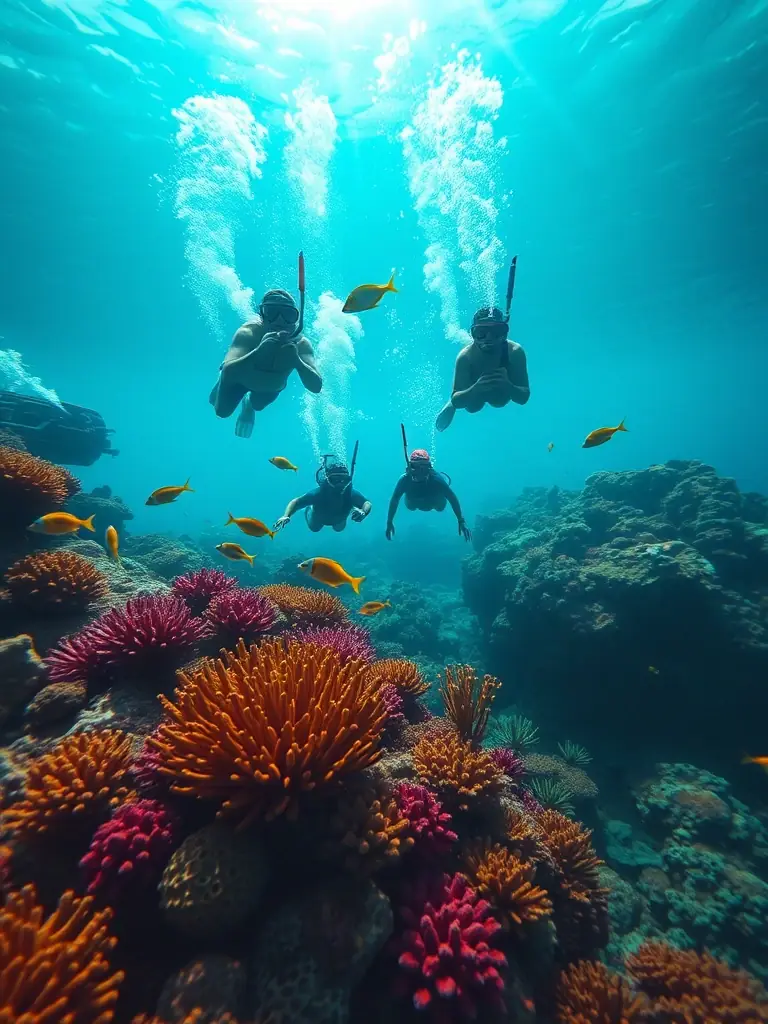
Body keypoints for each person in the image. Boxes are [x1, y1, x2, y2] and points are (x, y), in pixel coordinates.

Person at [209, 288, 322, 438]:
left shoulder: (301, 344)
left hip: (271, 385)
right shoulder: (248, 333)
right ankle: (220, 379)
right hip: (239, 378)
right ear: (262, 316)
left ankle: (248, 403)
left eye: (288, 314)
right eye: (272, 312)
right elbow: (229, 370)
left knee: (257, 405)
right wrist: (258, 351)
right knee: (221, 412)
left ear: (296, 318)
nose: (280, 320)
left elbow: (316, 386)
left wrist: (297, 361)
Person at [435, 306, 529, 432]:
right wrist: (475, 389)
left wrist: (508, 386)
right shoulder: (466, 357)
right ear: (473, 334)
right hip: (473, 392)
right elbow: (457, 401)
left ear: (504, 334)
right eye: (481, 333)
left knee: (499, 401)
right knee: (473, 407)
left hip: (500, 393)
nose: (488, 338)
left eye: (496, 332)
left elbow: (523, 397)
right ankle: (449, 404)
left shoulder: (514, 352)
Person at [386, 449, 471, 542]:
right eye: (416, 467)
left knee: (439, 507)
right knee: (411, 506)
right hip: (415, 501)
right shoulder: (405, 480)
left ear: (429, 468)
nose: (419, 472)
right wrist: (389, 521)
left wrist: (461, 520)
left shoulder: (436, 480)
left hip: (434, 500)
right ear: (410, 467)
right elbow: (395, 499)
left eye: (423, 468)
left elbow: (452, 498)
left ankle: (436, 496)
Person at [274, 459, 372, 533]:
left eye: (343, 479)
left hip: (339, 519)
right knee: (315, 528)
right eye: (335, 479)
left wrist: (364, 511)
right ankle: (309, 509)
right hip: (318, 518)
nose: (339, 484)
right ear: (327, 480)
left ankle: (352, 508)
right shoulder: (318, 494)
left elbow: (366, 503)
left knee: (339, 529)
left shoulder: (350, 493)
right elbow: (296, 502)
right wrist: (286, 515)